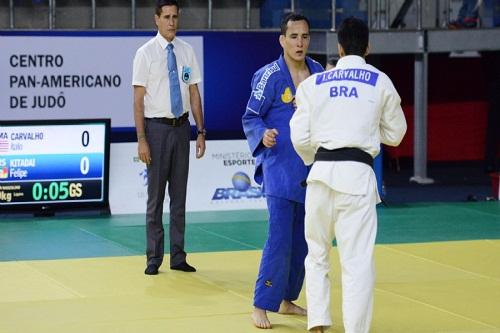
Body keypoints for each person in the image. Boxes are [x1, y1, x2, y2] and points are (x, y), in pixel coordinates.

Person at [290, 17, 407, 333]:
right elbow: (396, 134)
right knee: (356, 262)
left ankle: (317, 322)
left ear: (339, 47)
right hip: (356, 178)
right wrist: (370, 128)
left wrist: (316, 156)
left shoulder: (314, 84)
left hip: (320, 174)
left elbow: (299, 136)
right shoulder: (380, 80)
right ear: (367, 47)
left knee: (316, 255)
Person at [242, 13, 324, 329]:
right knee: (279, 239)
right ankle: (261, 304)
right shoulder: (268, 76)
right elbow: (250, 117)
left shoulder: (318, 73)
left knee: (304, 241)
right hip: (279, 168)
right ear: (282, 40)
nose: (299, 43)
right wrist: (262, 133)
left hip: (313, 169)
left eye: (304, 36)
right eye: (293, 37)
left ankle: (287, 299)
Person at [132, 0, 206, 276]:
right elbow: (138, 101)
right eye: (166, 17)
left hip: (182, 128)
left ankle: (178, 255)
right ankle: (154, 257)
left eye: (175, 16)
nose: (172, 21)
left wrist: (200, 130)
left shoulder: (186, 52)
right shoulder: (146, 54)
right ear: (156, 19)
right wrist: (141, 138)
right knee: (155, 198)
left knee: (179, 195)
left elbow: (193, 93)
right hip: (157, 129)